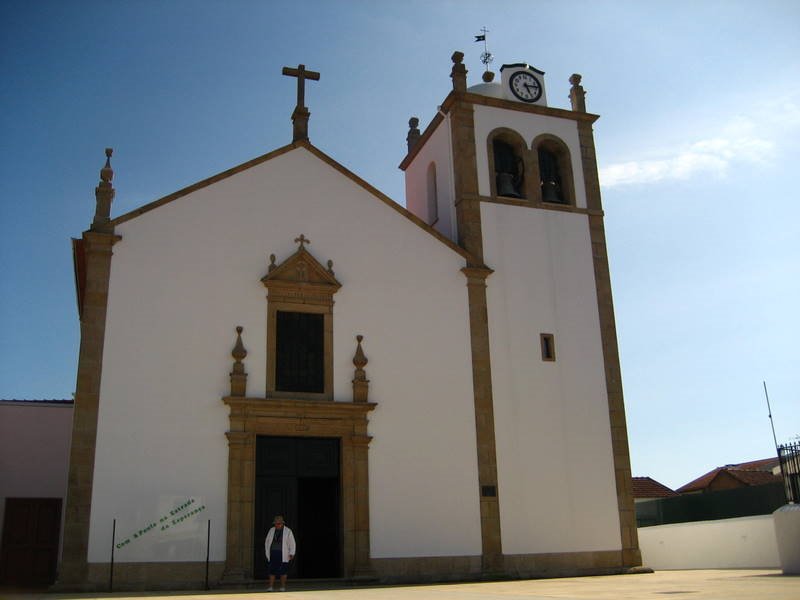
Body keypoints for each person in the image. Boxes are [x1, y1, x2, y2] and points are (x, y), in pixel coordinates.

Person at [264, 515, 296, 591]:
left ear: (282, 524)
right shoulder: (271, 530)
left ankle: (283, 587)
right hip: (273, 553)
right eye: (275, 524)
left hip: (283, 554)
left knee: (283, 571)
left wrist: (292, 553)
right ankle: (271, 587)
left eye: (278, 524)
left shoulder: (288, 531)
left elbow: (292, 543)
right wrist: (267, 552)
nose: (277, 525)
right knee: (272, 571)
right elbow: (267, 541)